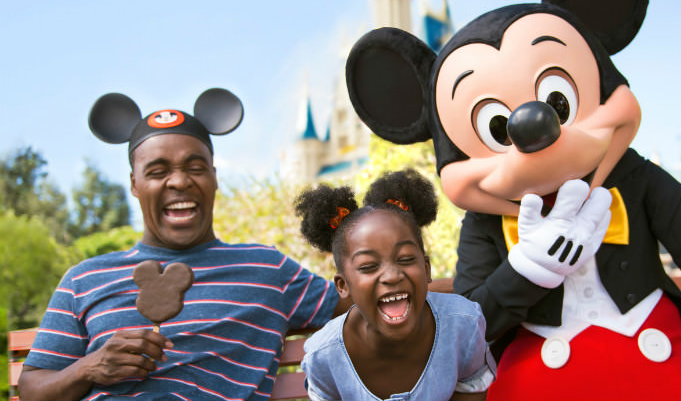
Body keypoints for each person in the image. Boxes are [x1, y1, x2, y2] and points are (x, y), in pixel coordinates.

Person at [18, 89, 349, 401]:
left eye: (195, 167)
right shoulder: (84, 280)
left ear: (214, 177)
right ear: (134, 183)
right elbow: (32, 388)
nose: (179, 180)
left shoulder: (268, 269)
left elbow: (366, 310)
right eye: (157, 171)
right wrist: (89, 367)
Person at [294, 168, 496, 401]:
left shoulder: (463, 324)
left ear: (426, 269)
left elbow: (472, 389)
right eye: (368, 266)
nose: (391, 275)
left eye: (406, 259)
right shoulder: (325, 356)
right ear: (343, 285)